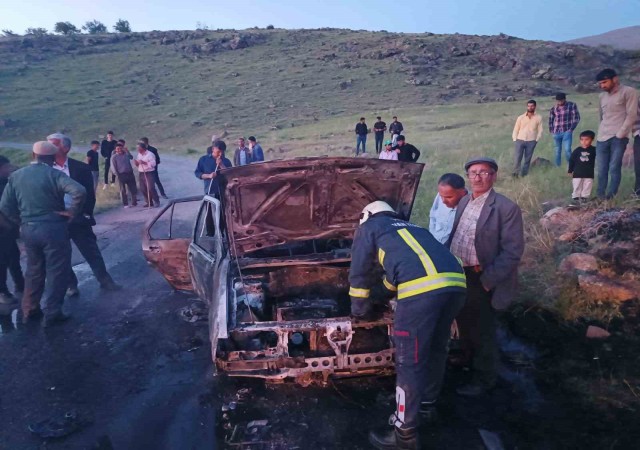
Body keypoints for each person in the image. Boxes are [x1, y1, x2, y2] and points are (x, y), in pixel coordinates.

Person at [348, 201, 466, 450]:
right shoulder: (414, 228)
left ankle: (404, 433)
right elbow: (396, 274)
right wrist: (382, 295)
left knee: (409, 361)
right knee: (436, 349)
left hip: (422, 293)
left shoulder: (369, 227)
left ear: (366, 215)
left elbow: (359, 274)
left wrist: (360, 311)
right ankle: (425, 408)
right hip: (456, 285)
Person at [448, 157, 524, 397]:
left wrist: (487, 282)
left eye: (483, 172)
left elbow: (512, 252)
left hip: (482, 277)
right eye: (473, 173)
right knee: (463, 323)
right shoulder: (463, 202)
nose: (477, 177)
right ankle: (467, 361)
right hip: (459, 273)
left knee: (482, 330)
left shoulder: (505, 208)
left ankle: (484, 379)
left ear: (494, 176)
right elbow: (456, 236)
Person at [0, 141, 86, 327]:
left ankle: (30, 309)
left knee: (33, 270)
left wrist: (20, 221)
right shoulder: (54, 174)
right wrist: (72, 212)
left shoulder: (16, 176)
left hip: (29, 229)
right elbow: (79, 191)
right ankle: (52, 311)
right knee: (57, 270)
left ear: (33, 155)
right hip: (53, 228)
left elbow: (5, 206)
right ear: (53, 158)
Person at [48, 133, 122, 296]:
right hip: (56, 220)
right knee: (61, 254)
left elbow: (89, 194)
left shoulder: (80, 168)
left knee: (90, 250)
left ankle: (105, 280)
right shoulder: (44, 170)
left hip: (78, 217)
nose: (49, 147)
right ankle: (71, 285)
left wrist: (86, 214)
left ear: (65, 148)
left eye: (53, 144)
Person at [595, 68, 638, 199]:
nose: (602, 86)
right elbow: (602, 117)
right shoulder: (601, 96)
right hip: (602, 137)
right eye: (600, 83)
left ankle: (611, 196)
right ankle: (600, 196)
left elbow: (631, 115)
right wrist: (601, 132)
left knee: (614, 167)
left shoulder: (629, 92)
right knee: (601, 169)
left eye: (605, 82)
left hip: (618, 137)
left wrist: (621, 134)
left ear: (615, 79)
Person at [0, 156, 25, 304]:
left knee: (14, 257)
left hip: (9, 230)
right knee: (2, 262)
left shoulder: (6, 182)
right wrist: (9, 225)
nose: (8, 169)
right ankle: (3, 292)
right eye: (5, 167)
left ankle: (20, 286)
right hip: (3, 230)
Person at [429, 173, 467, 244]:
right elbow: (433, 217)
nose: (443, 201)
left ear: (463, 193)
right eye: (441, 196)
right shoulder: (441, 195)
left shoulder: (470, 207)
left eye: (449, 197)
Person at [512, 100, 543, 177]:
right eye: (528, 106)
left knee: (527, 159)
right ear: (527, 107)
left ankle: (524, 174)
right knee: (517, 158)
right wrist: (515, 139)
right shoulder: (520, 117)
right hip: (520, 140)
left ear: (535, 107)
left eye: (532, 106)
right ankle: (515, 174)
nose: (530, 107)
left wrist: (536, 140)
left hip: (531, 141)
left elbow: (540, 130)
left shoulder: (538, 118)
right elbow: (516, 129)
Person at [549, 93, 581, 167]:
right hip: (556, 132)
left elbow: (576, 118)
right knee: (557, 150)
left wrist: (571, 129)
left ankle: (571, 166)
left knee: (567, 150)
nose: (559, 102)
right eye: (558, 101)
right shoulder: (554, 108)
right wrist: (551, 130)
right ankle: (557, 166)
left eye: (561, 101)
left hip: (567, 131)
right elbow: (551, 119)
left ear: (564, 99)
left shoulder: (571, 105)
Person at [568, 130, 597, 203]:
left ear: (592, 140)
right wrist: (570, 170)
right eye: (582, 139)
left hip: (589, 173)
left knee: (587, 185)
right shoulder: (577, 150)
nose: (584, 141)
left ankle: (585, 198)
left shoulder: (594, 150)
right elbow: (571, 160)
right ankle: (576, 198)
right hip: (578, 172)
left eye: (587, 139)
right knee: (577, 185)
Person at [111, 143, 138, 207]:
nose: (119, 150)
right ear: (115, 149)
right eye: (118, 148)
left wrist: (127, 151)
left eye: (121, 148)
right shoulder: (114, 157)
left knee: (133, 188)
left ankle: (134, 203)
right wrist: (117, 175)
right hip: (121, 175)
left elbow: (131, 157)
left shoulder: (126, 154)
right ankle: (125, 204)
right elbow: (113, 167)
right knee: (123, 190)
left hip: (130, 173)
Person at [134, 142, 160, 208]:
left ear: (142, 148)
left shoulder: (150, 154)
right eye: (137, 148)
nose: (137, 149)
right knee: (143, 188)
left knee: (151, 187)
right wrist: (136, 163)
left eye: (138, 148)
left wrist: (144, 162)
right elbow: (138, 164)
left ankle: (157, 201)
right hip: (141, 172)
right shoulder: (139, 154)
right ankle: (149, 202)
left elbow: (153, 164)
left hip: (149, 173)